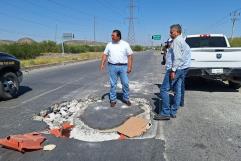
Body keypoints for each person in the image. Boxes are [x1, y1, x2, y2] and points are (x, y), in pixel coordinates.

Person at [154, 24, 191, 120]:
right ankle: (173, 111)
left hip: (176, 69)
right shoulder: (182, 40)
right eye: (170, 32)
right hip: (183, 68)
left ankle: (165, 113)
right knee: (177, 90)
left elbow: (177, 57)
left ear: (177, 32)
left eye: (172, 32)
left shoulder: (177, 41)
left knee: (164, 89)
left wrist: (173, 70)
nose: (170, 34)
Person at [100, 30, 134, 107]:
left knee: (125, 83)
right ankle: (113, 100)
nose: (111, 37)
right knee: (113, 84)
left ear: (118, 36)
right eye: (111, 35)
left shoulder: (125, 44)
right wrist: (102, 64)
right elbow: (105, 54)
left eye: (113, 35)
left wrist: (129, 66)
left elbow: (130, 56)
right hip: (112, 66)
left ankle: (126, 98)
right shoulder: (109, 44)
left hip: (123, 67)